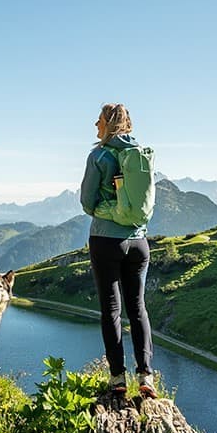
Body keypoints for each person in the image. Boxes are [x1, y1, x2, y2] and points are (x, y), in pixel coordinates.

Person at [79, 103, 155, 398]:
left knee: (111, 310)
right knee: (138, 309)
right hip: (139, 242)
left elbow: (87, 203)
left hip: (106, 240)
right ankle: (146, 376)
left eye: (98, 120)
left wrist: (105, 209)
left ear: (109, 124)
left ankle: (117, 377)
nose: (95, 125)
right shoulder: (140, 155)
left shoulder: (99, 155)